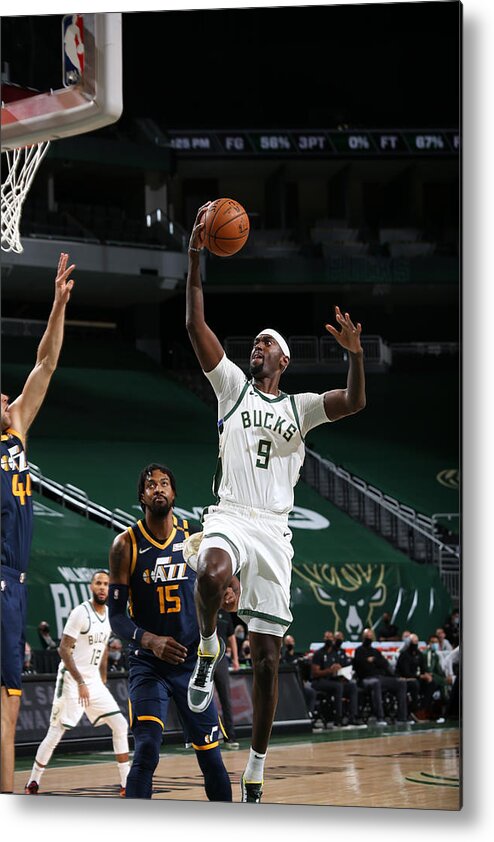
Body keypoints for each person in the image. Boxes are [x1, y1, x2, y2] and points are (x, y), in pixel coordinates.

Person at [183, 201, 366, 803]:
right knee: (210, 570)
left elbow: (354, 403)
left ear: (283, 360)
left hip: (276, 531)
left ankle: (257, 763)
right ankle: (209, 640)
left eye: (266, 343)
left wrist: (356, 356)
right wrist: (194, 260)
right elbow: (195, 329)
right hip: (231, 512)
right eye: (255, 342)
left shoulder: (299, 407)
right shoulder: (231, 388)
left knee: (265, 660)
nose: (256, 346)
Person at [108, 463, 232, 801]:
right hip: (148, 664)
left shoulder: (196, 538)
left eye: (165, 483)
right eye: (151, 484)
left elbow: (226, 584)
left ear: (174, 493)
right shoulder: (126, 544)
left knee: (211, 758)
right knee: (147, 749)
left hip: (194, 665)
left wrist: (232, 593)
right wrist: (150, 640)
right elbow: (116, 617)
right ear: (142, 496)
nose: (158, 488)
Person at [1, 252, 75, 794]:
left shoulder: (16, 432)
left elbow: (45, 364)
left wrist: (57, 306)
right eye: (1, 396)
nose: (8, 398)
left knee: (7, 708)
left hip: (13, 587)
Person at [24, 571, 130, 796]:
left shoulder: (111, 615)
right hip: (72, 679)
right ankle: (33, 780)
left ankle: (126, 783)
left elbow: (102, 650)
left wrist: (102, 679)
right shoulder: (80, 613)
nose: (102, 587)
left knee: (120, 725)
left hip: (93, 681)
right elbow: (63, 649)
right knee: (56, 732)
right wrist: (81, 681)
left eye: (106, 584)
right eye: (98, 583)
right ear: (92, 587)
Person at [352, 628, 408, 724]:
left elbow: (384, 664)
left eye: (370, 636)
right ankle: (380, 718)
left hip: (380, 677)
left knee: (401, 683)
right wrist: (375, 663)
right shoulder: (359, 651)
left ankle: (402, 718)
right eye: (367, 636)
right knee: (376, 683)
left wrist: (373, 660)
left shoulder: (376, 652)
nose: (369, 638)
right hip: (365, 679)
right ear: (363, 637)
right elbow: (362, 667)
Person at [310, 632, 364, 727]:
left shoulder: (335, 653)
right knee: (338, 686)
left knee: (352, 686)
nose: (329, 640)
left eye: (331, 638)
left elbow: (338, 669)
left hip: (332, 680)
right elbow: (315, 673)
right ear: (324, 639)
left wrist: (341, 672)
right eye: (327, 638)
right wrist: (330, 671)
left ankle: (353, 717)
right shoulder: (319, 653)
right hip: (319, 682)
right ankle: (338, 719)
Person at [215, 607, 240, 749]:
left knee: (226, 699)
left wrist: (235, 659)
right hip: (204, 657)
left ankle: (230, 736)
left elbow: (232, 637)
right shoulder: (204, 607)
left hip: (221, 659)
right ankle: (206, 736)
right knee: (205, 699)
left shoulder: (225, 614)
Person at [395, 632, 422, 718]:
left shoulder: (419, 654)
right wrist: (419, 677)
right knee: (414, 684)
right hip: (404, 679)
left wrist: (427, 675)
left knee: (431, 683)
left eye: (416, 642)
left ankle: (424, 710)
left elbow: (423, 667)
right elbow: (405, 673)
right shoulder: (404, 655)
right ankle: (413, 710)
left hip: (416, 678)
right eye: (413, 642)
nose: (415, 644)